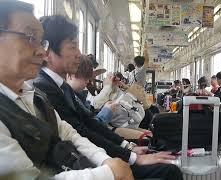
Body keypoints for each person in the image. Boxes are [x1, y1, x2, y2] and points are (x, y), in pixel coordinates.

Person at [33, 15, 182, 179]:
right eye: (73, 46)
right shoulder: (44, 88)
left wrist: (128, 148)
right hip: (78, 165)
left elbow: (88, 123)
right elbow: (82, 131)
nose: (79, 53)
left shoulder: (61, 87)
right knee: (169, 171)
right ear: (47, 52)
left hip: (89, 156)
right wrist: (131, 156)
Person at [0, 1, 133, 179]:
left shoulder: (34, 95)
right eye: (30, 37)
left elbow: (68, 132)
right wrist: (109, 172)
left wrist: (105, 161)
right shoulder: (43, 88)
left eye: (41, 42)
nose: (41, 51)